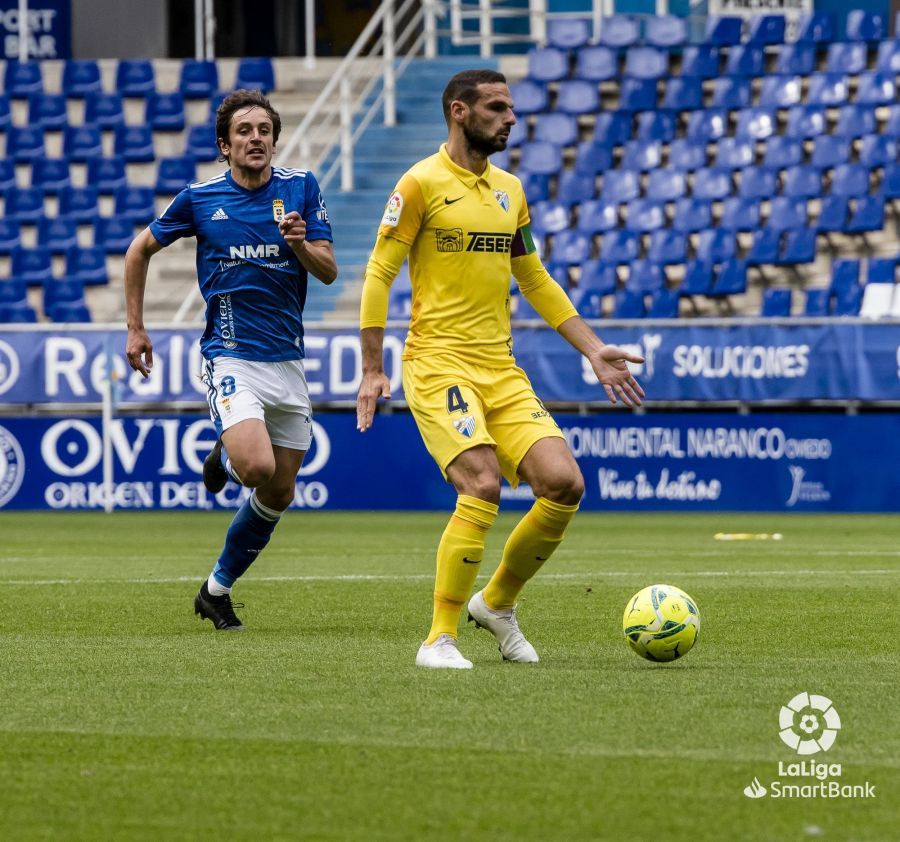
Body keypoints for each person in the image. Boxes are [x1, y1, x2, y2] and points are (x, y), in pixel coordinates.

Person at [356, 69, 644, 669]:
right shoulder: (419, 185)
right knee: (481, 483)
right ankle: (439, 637)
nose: (510, 118)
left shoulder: (511, 190)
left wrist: (592, 348)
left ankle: (497, 604)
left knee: (564, 484)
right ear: (459, 112)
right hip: (438, 363)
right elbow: (379, 274)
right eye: (496, 107)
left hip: (500, 366)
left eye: (511, 108)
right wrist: (371, 368)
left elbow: (533, 276)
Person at [124, 89, 337, 631]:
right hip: (230, 355)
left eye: (264, 130)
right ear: (225, 145)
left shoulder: (300, 189)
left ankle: (215, 590)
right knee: (258, 467)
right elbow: (138, 250)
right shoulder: (200, 199)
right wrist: (136, 327)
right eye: (244, 131)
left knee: (280, 491)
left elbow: (329, 270)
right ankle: (228, 443)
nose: (256, 139)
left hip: (287, 361)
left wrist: (300, 244)